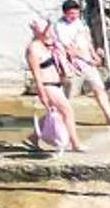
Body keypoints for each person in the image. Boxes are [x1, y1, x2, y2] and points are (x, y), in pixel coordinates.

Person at [52, 0, 110, 125]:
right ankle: (54, 119)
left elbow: (86, 39)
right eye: (71, 14)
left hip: (88, 63)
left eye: (76, 13)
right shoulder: (59, 26)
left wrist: (94, 55)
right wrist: (88, 59)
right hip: (73, 64)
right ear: (65, 13)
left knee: (99, 88)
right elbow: (69, 49)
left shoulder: (79, 21)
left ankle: (109, 116)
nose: (74, 16)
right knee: (68, 95)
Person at [24, 18, 81, 154]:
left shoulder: (48, 45)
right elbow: (36, 74)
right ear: (36, 31)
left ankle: (33, 138)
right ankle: (75, 143)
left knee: (55, 113)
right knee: (67, 111)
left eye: (48, 29)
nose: (48, 32)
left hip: (56, 84)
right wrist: (42, 93)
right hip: (47, 85)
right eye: (45, 30)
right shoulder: (33, 49)